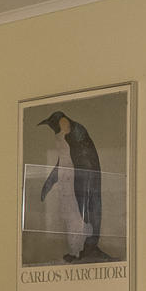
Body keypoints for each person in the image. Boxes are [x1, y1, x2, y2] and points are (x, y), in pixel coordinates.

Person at [33, 110, 107, 261]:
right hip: (70, 184)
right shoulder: (65, 139)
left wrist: (84, 191)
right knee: (70, 216)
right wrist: (49, 184)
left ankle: (87, 248)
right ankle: (75, 251)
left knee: (79, 215)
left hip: (80, 185)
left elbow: (86, 164)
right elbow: (63, 161)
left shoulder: (76, 134)